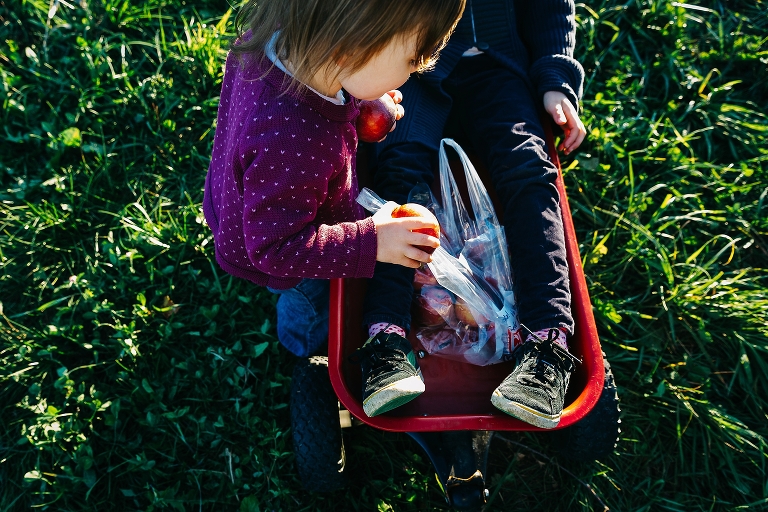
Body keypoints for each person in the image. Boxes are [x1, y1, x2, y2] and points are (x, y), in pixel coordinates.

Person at [354, 0, 587, 428]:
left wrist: (554, 77)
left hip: (496, 64)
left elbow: (550, 6)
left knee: (530, 172)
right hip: (410, 66)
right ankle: (385, 341)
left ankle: (547, 347)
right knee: (398, 175)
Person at [203, 0, 466, 376]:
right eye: (411, 61)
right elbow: (275, 249)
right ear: (348, 49)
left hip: (243, 195)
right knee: (310, 308)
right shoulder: (296, 140)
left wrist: (356, 101)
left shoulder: (281, 42)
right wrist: (374, 242)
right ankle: (304, 350)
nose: (416, 72)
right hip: (283, 255)